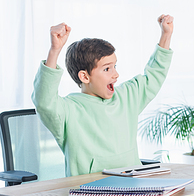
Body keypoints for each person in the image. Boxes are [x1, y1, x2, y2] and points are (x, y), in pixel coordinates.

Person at [32, 14, 174, 178]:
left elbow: (154, 75)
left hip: (134, 188)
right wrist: (54, 51)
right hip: (90, 194)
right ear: (85, 77)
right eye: (107, 69)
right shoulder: (68, 110)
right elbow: (44, 101)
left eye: (115, 66)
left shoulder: (127, 97)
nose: (116, 74)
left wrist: (166, 35)